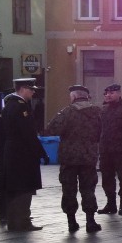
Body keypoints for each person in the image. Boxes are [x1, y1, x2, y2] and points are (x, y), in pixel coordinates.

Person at [43, 84, 103, 233]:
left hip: (69, 158)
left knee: (69, 189)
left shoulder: (67, 112)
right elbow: (102, 132)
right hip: (89, 157)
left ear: (74, 96)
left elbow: (51, 129)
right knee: (88, 189)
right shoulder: (97, 112)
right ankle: (90, 221)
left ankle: (72, 222)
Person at [0, 78, 47, 231]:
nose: (33, 92)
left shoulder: (10, 105)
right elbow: (28, 134)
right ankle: (22, 222)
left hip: (13, 153)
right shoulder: (20, 107)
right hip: (22, 155)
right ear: (23, 89)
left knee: (15, 188)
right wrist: (41, 153)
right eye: (31, 89)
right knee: (24, 188)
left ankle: (14, 221)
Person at [98, 83, 122, 216]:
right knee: (107, 178)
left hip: (120, 151)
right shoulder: (104, 110)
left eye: (111, 93)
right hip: (106, 150)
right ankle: (110, 203)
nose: (108, 95)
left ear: (119, 94)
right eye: (106, 93)